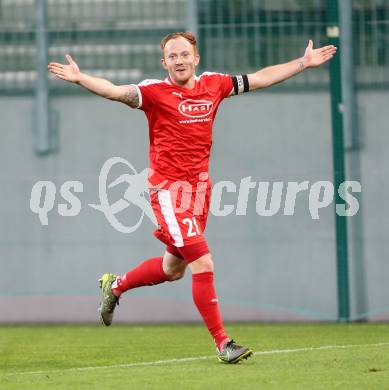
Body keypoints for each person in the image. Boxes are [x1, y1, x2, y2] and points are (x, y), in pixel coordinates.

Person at [48, 32, 336, 364]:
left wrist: (304, 62)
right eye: (173, 56)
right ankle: (223, 343)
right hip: (167, 193)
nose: (180, 60)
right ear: (164, 63)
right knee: (203, 261)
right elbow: (115, 92)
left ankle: (115, 287)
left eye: (185, 54)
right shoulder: (154, 93)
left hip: (199, 192)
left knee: (173, 270)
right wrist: (81, 78)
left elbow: (258, 79)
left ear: (196, 58)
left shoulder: (214, 84)